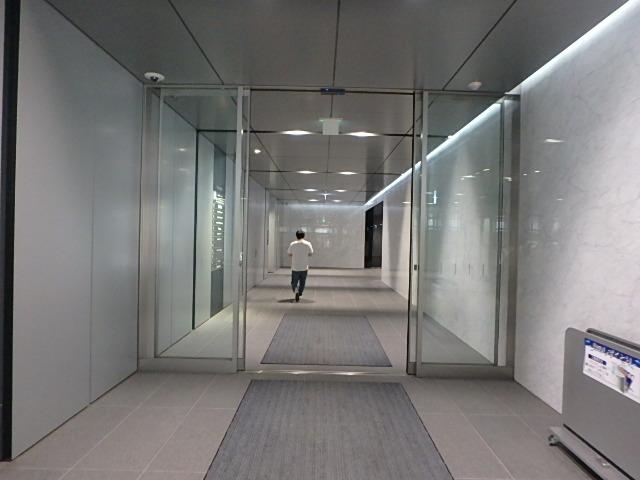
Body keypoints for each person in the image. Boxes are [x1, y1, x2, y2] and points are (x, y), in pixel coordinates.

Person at [287, 229, 313, 302]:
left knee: (294, 282)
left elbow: (289, 253)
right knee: (302, 282)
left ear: (296, 236)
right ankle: (300, 292)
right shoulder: (308, 244)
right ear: (304, 236)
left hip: (295, 267)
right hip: (304, 267)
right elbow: (311, 253)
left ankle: (296, 291)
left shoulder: (292, 244)